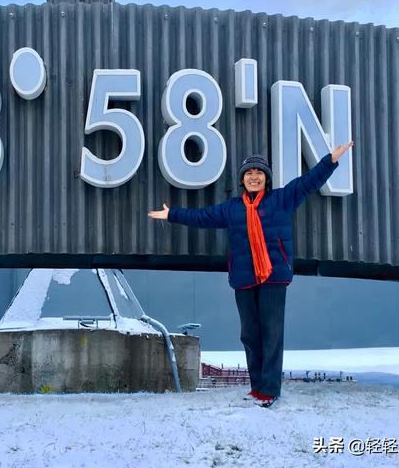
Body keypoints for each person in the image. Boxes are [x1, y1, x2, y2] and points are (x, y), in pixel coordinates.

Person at [148, 141, 353, 407]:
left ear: (266, 179)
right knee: (250, 334)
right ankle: (257, 387)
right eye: (248, 173)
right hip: (244, 279)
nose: (253, 176)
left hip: (274, 277)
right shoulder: (232, 208)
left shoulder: (281, 199)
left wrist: (331, 160)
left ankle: (269, 390)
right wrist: (172, 214)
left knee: (272, 333)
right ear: (243, 179)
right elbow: (202, 217)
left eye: (258, 173)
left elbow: (309, 182)